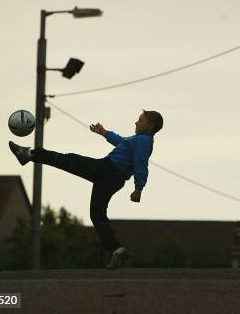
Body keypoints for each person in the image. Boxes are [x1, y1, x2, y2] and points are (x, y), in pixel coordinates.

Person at [8, 109, 163, 269]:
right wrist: (104, 132)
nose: (136, 123)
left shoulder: (144, 141)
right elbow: (121, 141)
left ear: (151, 126)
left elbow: (141, 165)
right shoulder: (138, 140)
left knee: (69, 160)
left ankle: (29, 154)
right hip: (112, 178)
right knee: (97, 213)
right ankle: (117, 249)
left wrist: (139, 188)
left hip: (107, 170)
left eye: (140, 120)